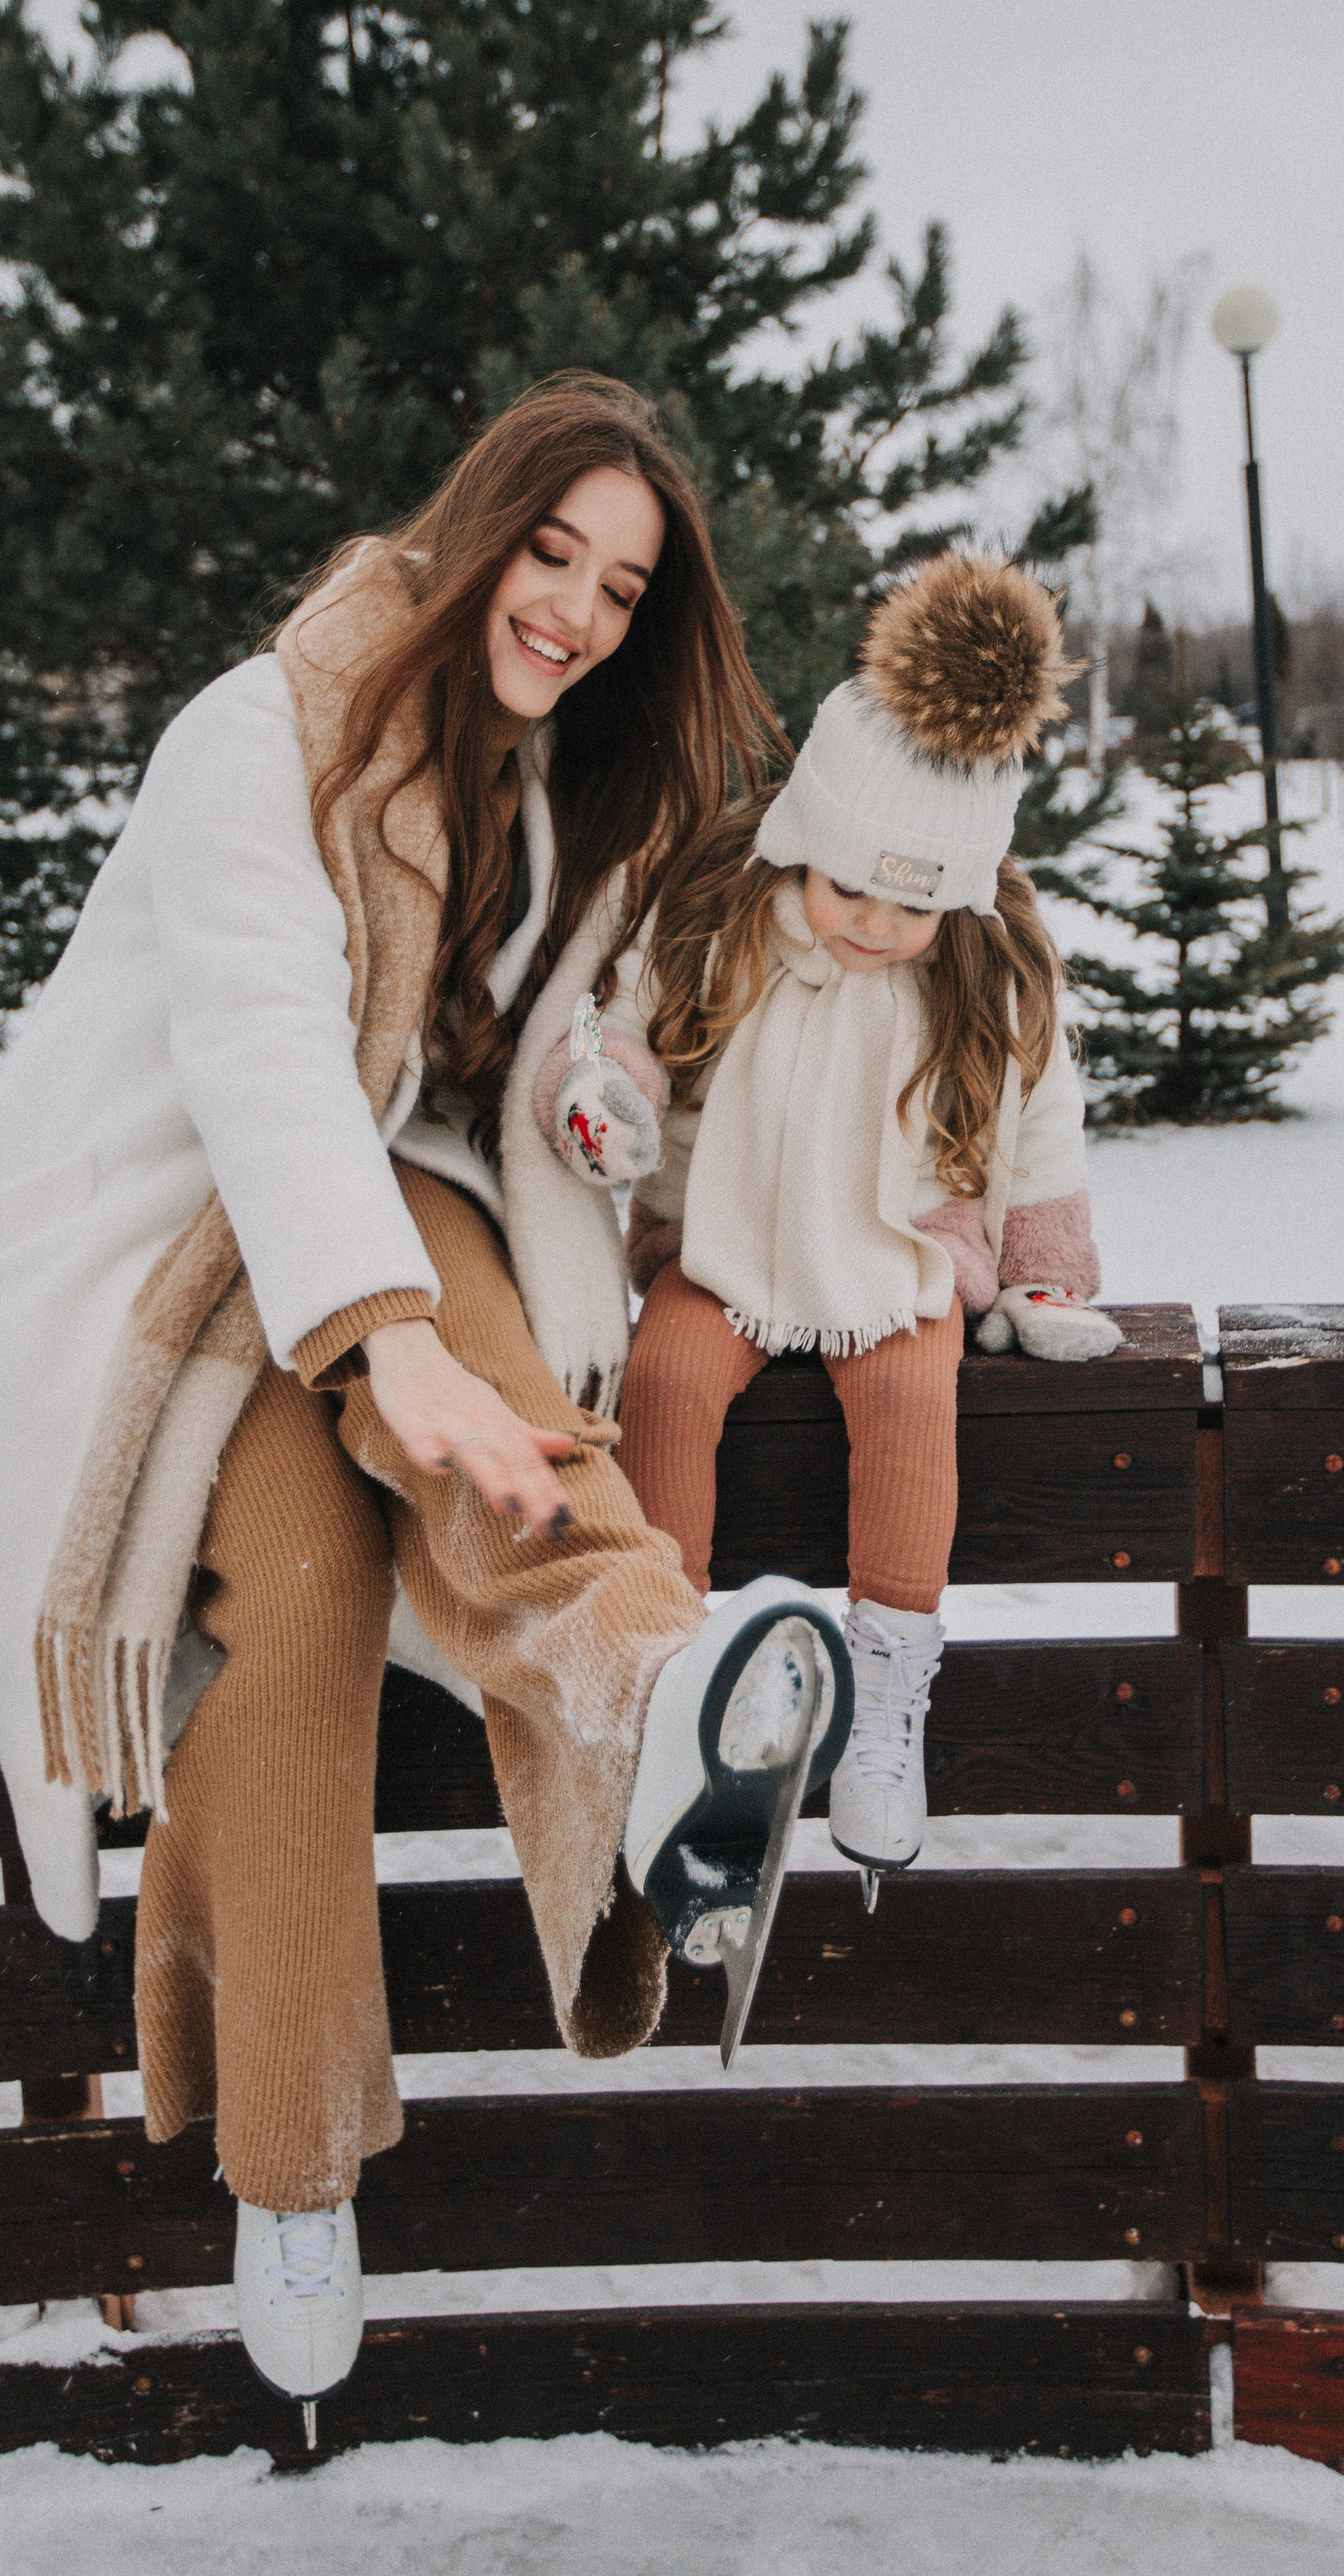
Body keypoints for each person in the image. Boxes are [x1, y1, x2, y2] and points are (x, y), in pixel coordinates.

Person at [0, 375, 851, 2430]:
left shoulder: (550, 789)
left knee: (483, 1346)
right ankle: (295, 2168)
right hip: (168, 1264)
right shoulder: (262, 731)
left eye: (622, 586)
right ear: (473, 531)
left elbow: (532, 1092)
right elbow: (256, 1044)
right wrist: (382, 1334)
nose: (581, 610)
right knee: (309, 1590)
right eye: (554, 554)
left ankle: (655, 1673)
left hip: (388, 1223)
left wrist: (644, 1145)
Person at [537, 553, 1122, 1906]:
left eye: (913, 905)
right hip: (725, 1247)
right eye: (851, 889)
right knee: (671, 1381)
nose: (873, 927)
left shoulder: (987, 972)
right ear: (804, 839)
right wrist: (609, 1092)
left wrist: (1040, 1276)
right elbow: (626, 1020)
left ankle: (889, 1689)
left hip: (898, 1260)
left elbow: (1043, 1125)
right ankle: (667, 1679)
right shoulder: (726, 921)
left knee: (917, 1396)